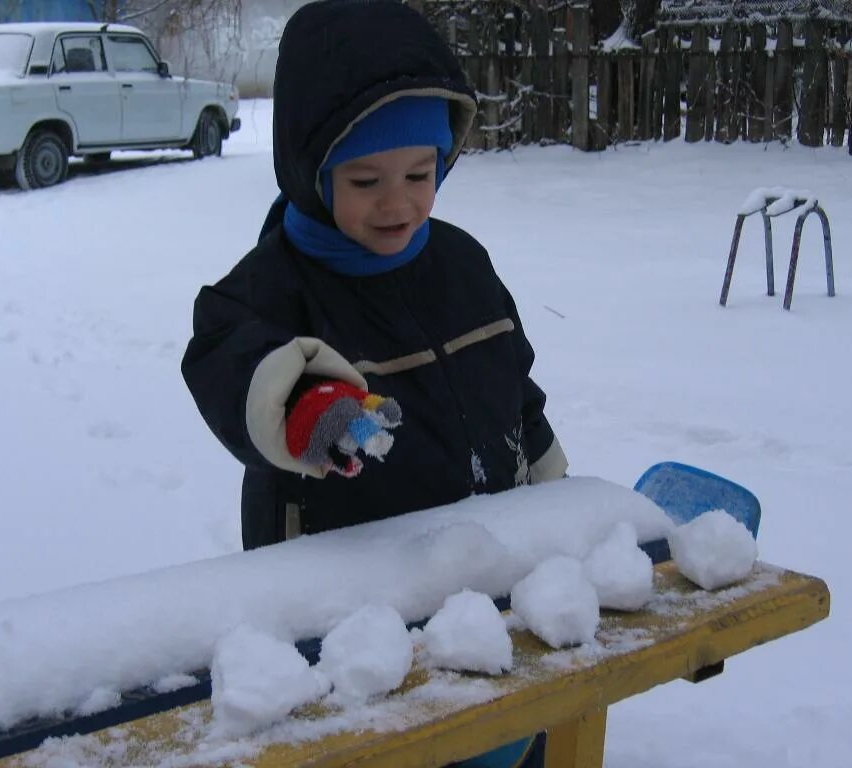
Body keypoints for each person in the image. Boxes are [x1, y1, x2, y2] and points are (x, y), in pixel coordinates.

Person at [181, 1, 566, 764]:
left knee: (503, 725)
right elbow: (227, 359)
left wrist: (555, 493)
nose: (399, 203)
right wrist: (307, 409)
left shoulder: (462, 264)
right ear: (310, 171)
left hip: (474, 574)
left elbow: (511, 385)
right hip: (341, 600)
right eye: (366, 180)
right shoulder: (271, 289)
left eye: (421, 172)